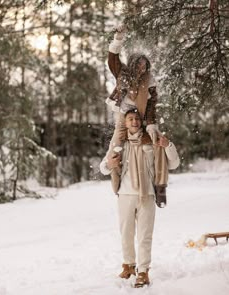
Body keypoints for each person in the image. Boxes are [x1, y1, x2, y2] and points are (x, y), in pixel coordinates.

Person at [100, 109, 180, 288]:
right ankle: (129, 266)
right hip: (126, 194)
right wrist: (109, 164)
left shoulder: (152, 140)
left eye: (137, 118)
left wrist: (167, 145)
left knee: (145, 235)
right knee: (126, 234)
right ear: (125, 123)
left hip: (148, 194)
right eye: (130, 119)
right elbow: (104, 167)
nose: (134, 121)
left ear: (141, 122)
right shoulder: (120, 143)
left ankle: (143, 271)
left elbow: (174, 164)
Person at [106, 24, 168, 204]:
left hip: (141, 120)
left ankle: (160, 190)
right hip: (123, 118)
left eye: (144, 66)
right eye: (139, 65)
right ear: (134, 64)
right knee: (116, 148)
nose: (142, 68)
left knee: (157, 145)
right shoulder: (123, 73)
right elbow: (113, 59)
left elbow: (151, 104)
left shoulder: (149, 81)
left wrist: (150, 125)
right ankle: (117, 186)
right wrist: (118, 38)